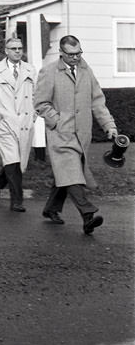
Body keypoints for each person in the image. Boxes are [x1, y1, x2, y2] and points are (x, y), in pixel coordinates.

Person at [34, 35, 118, 234]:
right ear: (61, 53)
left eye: (79, 53)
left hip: (82, 134)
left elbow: (97, 101)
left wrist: (109, 126)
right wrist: (57, 120)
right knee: (72, 173)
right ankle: (87, 214)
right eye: (71, 54)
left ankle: (51, 209)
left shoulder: (86, 70)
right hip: (60, 134)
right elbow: (40, 103)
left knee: (65, 173)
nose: (76, 57)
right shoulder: (49, 71)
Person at [0, 37, 36, 212]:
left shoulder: (30, 69)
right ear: (6, 51)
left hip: (25, 123)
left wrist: (34, 114)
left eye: (20, 48)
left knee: (19, 163)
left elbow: (36, 95)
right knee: (12, 160)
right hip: (5, 122)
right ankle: (17, 201)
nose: (17, 51)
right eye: (13, 48)